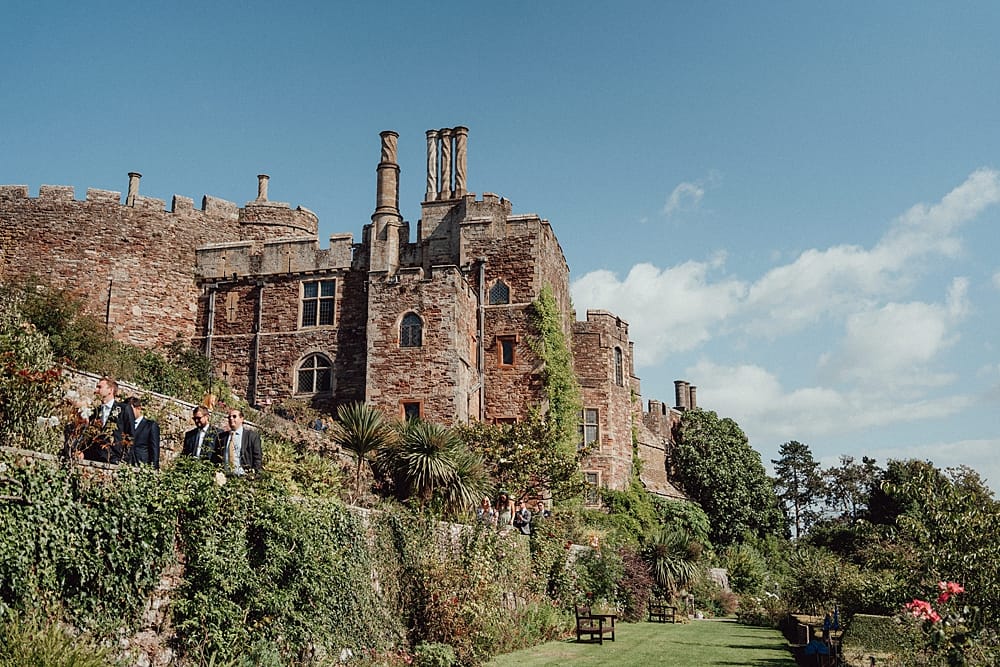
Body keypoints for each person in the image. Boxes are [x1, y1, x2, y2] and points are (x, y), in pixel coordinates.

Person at [82, 376, 134, 464]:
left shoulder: (123, 409)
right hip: (93, 458)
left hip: (114, 458)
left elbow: (130, 435)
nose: (96, 390)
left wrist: (124, 460)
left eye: (99, 387)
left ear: (110, 390)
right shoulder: (95, 411)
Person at [211, 408, 262, 474]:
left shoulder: (251, 437)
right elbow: (217, 456)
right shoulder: (222, 437)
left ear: (241, 419)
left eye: (234, 416)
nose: (231, 418)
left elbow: (257, 458)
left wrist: (254, 475)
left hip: (244, 477)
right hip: (226, 477)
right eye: (229, 417)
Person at [127, 397, 160, 469]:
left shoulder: (150, 425)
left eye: (130, 410)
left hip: (142, 466)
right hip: (126, 465)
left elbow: (154, 449)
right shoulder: (125, 425)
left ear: (138, 408)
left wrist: (154, 469)